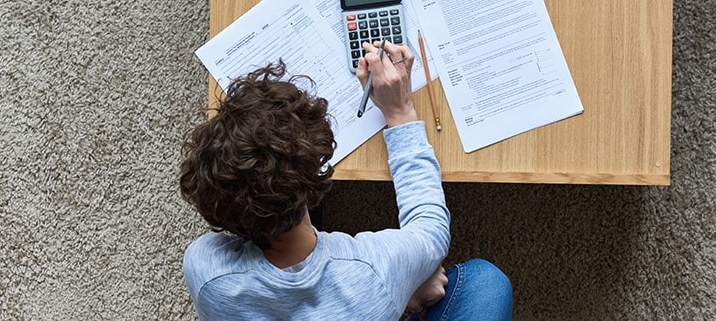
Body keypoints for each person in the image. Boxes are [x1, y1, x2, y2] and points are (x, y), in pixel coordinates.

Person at [180, 41, 513, 320]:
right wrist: (401, 115)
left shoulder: (206, 269)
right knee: (486, 283)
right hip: (372, 295)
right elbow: (430, 231)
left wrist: (401, 285)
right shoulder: (373, 269)